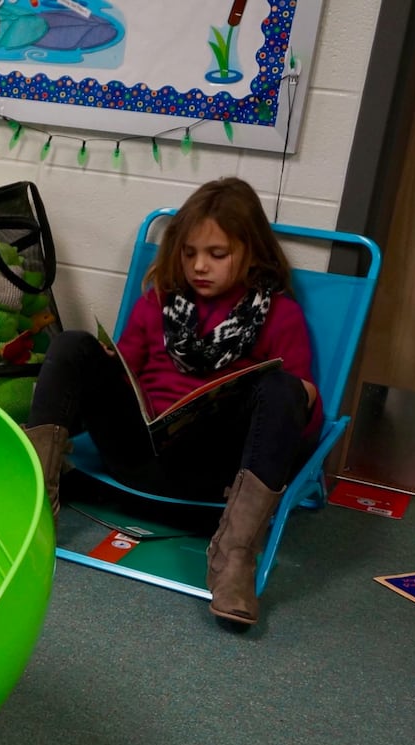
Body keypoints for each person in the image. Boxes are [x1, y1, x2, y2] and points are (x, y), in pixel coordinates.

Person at [24, 177, 319, 628]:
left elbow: (302, 427)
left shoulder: (280, 315)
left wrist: (303, 398)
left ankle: (234, 560)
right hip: (138, 453)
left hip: (215, 472)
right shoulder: (157, 301)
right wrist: (106, 366)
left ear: (253, 251)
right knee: (71, 344)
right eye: (189, 253)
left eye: (217, 255)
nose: (200, 266)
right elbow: (126, 372)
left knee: (284, 388)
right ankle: (33, 512)